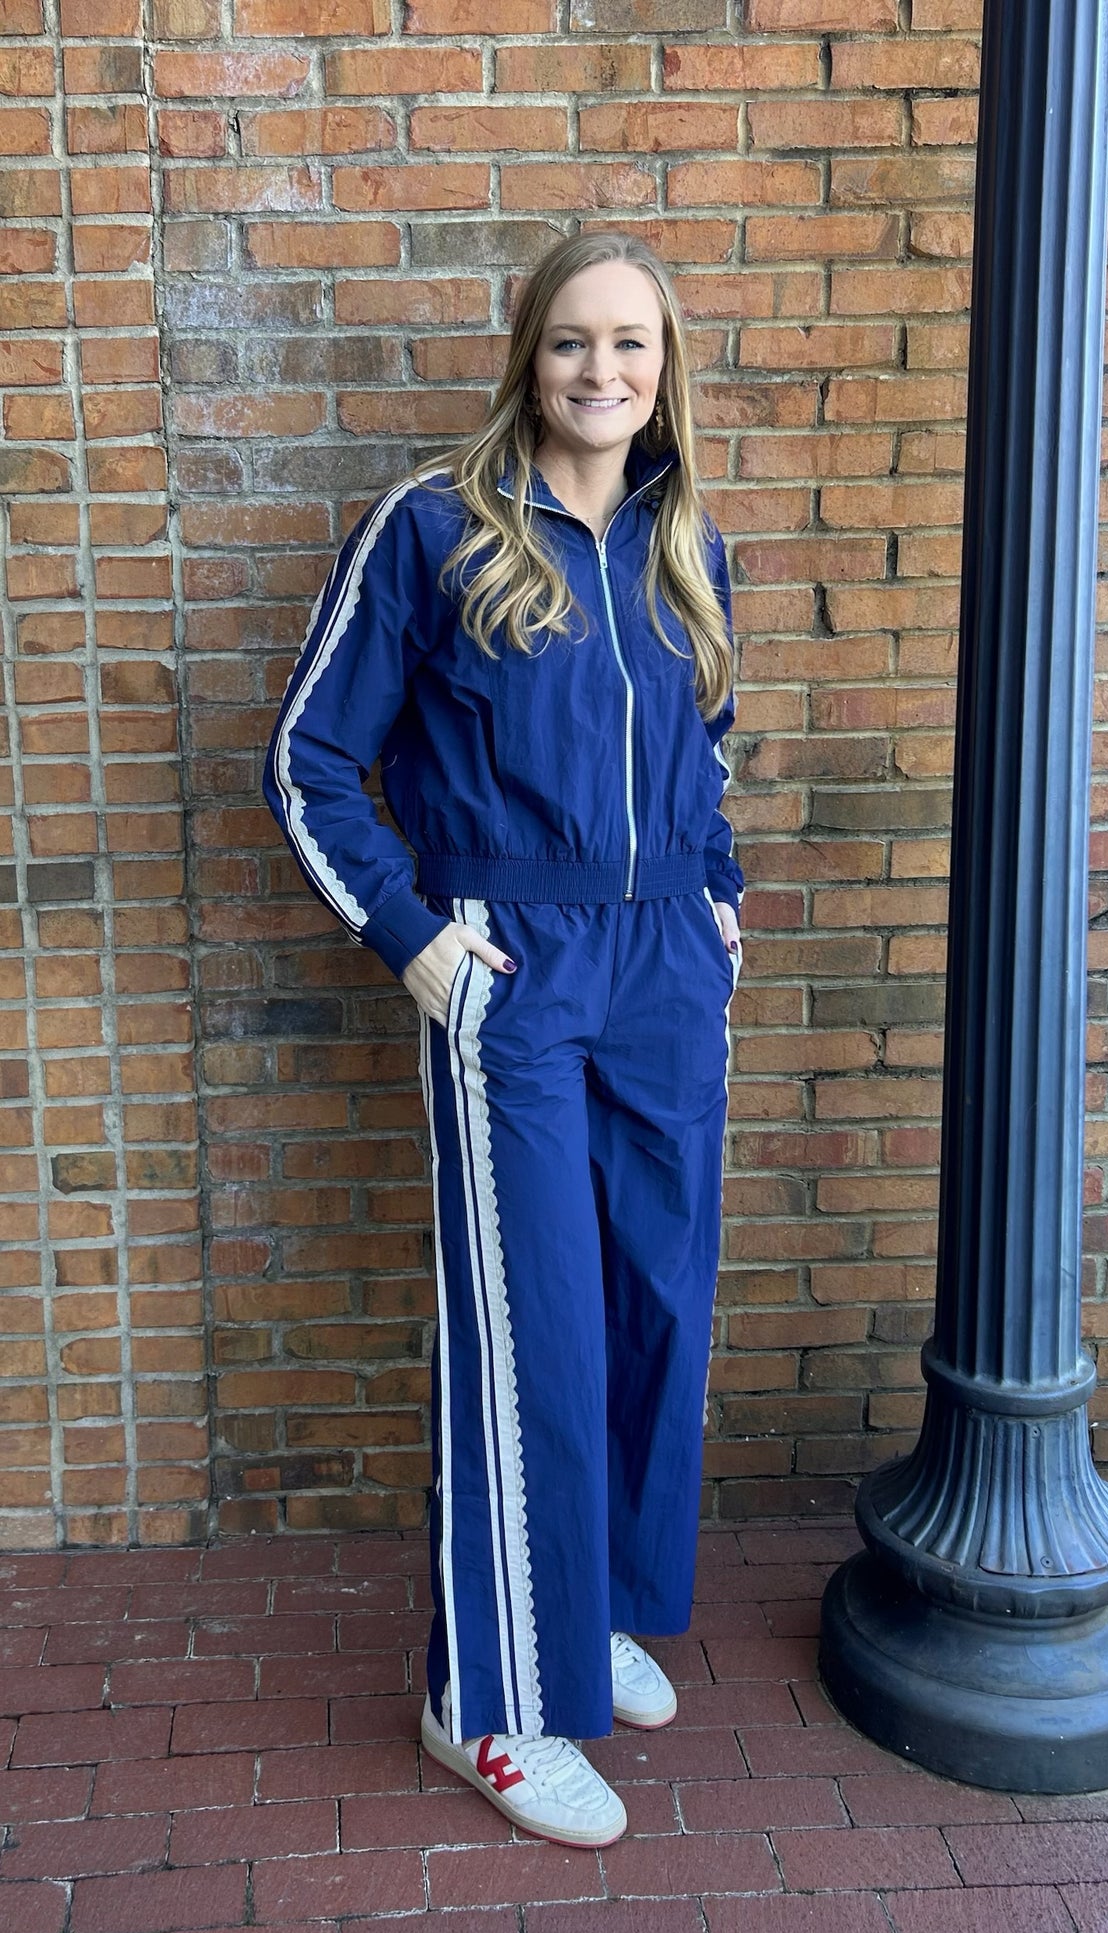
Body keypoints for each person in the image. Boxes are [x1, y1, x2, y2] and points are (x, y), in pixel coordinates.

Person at [263, 230, 744, 1849]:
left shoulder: (687, 539)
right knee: (533, 1327)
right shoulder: (434, 529)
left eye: (631, 343)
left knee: (654, 1304)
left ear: (665, 367)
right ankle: (485, 1699)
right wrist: (414, 938)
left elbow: (707, 744)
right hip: (515, 966)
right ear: (527, 358)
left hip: (664, 970)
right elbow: (308, 760)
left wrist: (720, 898)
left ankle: (584, 1612)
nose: (603, 371)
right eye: (571, 342)